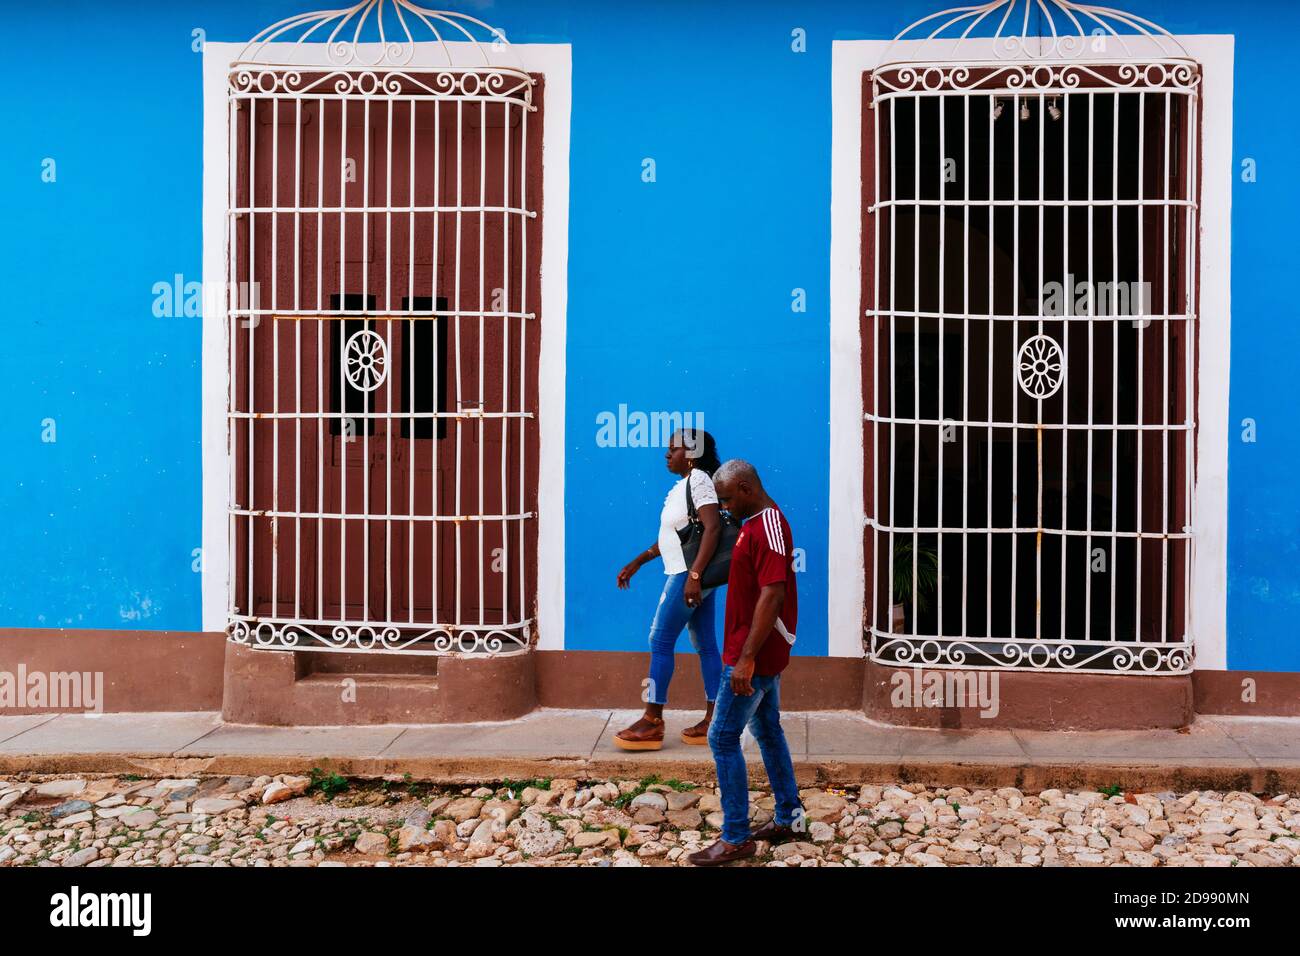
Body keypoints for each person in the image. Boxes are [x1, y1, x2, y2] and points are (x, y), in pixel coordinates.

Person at [689, 459, 803, 865]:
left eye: (726, 499)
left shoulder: (768, 526)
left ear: (746, 488)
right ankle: (789, 816)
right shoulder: (752, 523)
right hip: (751, 653)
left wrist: (746, 659)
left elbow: (772, 594)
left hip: (751, 656)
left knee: (722, 737)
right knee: (768, 729)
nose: (722, 507)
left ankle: (736, 836)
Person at [614, 429, 724, 750]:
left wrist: (694, 575)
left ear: (690, 454)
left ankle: (651, 720)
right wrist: (638, 561)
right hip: (690, 574)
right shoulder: (684, 485)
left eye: (673, 449)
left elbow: (713, 526)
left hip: (686, 575)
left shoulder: (699, 480)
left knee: (659, 640)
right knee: (705, 644)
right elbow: (680, 535)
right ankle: (714, 720)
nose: (666, 455)